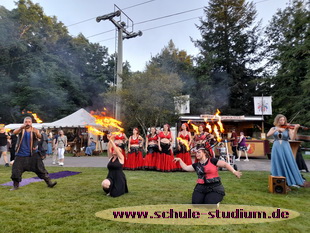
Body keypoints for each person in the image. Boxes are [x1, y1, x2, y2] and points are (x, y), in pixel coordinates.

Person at [174, 146, 242, 204]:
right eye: (196, 152)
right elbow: (186, 167)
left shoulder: (212, 161)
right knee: (196, 203)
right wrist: (180, 160)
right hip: (201, 187)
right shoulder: (196, 165)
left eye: (199, 152)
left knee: (209, 204)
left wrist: (234, 171)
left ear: (204, 153)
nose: (196, 154)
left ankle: (215, 200)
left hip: (214, 187)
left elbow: (225, 164)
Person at [10, 116, 57, 191]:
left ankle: (49, 183)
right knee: (16, 171)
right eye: (26, 122)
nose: (27, 123)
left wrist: (36, 133)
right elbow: (14, 132)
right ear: (24, 123)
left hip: (33, 154)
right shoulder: (21, 130)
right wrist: (21, 127)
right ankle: (16, 186)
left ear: (31, 123)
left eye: (29, 122)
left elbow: (39, 136)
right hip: (20, 154)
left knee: (41, 169)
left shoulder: (34, 130)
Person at [267, 114, 308, 188]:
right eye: (280, 120)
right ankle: (277, 179)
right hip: (276, 147)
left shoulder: (288, 128)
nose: (282, 121)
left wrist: (295, 129)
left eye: (283, 120)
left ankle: (291, 180)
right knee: (277, 162)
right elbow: (268, 135)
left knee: (289, 161)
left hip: (285, 147)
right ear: (277, 120)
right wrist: (277, 129)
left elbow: (292, 138)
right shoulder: (273, 128)